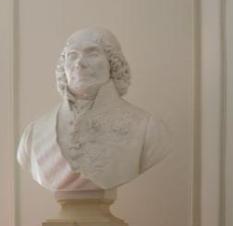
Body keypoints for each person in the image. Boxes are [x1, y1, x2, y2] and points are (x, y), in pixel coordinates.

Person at [17, 27, 171, 193]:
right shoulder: (33, 134)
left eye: (92, 54)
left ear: (112, 64)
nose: (79, 63)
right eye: (72, 55)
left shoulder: (148, 129)